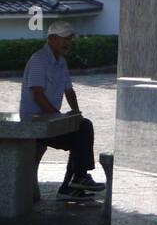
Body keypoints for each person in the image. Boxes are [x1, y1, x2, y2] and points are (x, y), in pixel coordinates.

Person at [20, 20, 105, 200]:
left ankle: (75, 182)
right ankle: (73, 183)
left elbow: (69, 91)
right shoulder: (38, 60)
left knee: (82, 125)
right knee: (80, 133)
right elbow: (37, 95)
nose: (68, 43)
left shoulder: (61, 62)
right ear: (51, 39)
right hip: (34, 125)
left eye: (70, 39)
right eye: (64, 38)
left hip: (51, 123)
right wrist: (58, 117)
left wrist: (76, 113)